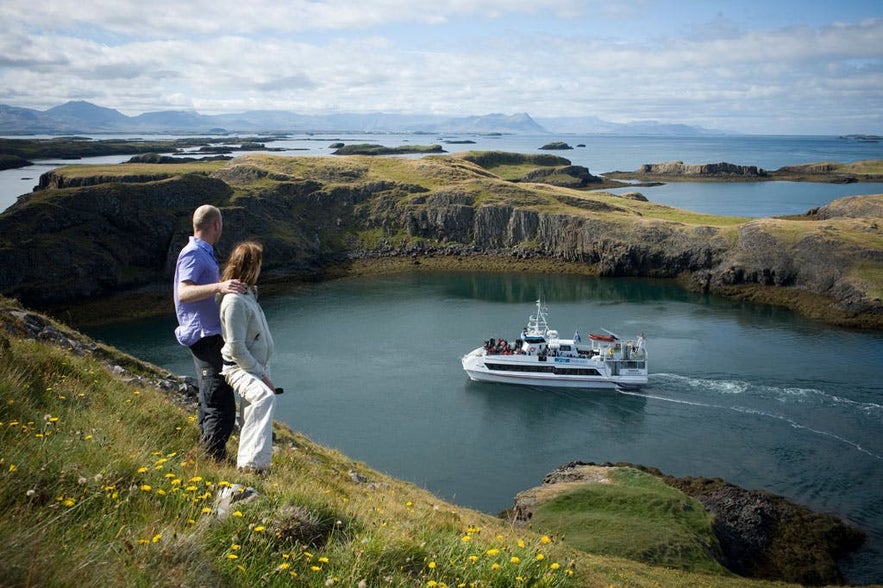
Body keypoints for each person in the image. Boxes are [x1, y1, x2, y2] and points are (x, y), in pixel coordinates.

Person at [173, 204, 245, 461]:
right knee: (220, 403)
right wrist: (219, 287)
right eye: (221, 225)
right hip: (204, 336)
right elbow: (184, 292)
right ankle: (213, 459)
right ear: (216, 225)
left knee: (211, 399)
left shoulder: (203, 252)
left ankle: (208, 455)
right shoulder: (193, 253)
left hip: (209, 335)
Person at [218, 241, 276, 473]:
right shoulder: (234, 301)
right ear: (251, 266)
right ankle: (252, 465)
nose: (261, 269)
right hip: (239, 367)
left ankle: (249, 466)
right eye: (259, 264)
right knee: (264, 398)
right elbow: (236, 347)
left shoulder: (248, 293)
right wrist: (261, 375)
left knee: (252, 409)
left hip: (255, 365)